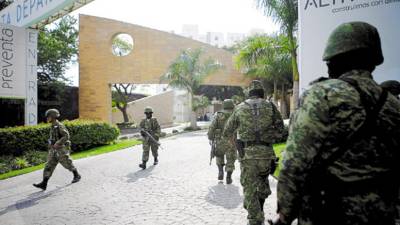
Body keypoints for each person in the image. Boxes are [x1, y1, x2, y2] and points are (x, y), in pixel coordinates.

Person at [271, 22, 400, 225]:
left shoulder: (322, 95)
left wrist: (285, 214)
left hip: (331, 214)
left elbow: (296, 162)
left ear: (332, 60)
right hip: (384, 215)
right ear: (373, 61)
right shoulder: (393, 104)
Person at [223, 80, 284, 225]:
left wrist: (237, 145)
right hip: (266, 154)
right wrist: (269, 137)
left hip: (248, 155)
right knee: (262, 183)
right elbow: (281, 129)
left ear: (249, 93)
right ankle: (259, 209)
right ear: (261, 93)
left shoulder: (239, 108)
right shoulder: (270, 106)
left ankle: (255, 219)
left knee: (249, 189)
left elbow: (227, 131)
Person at [33, 109, 81, 190]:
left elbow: (66, 136)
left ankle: (76, 175)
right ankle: (44, 183)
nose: (47, 119)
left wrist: (58, 143)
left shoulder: (59, 125)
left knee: (66, 162)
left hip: (61, 149)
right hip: (54, 150)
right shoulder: (53, 126)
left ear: (53, 117)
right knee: (49, 165)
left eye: (48, 117)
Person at [207, 99, 237, 184]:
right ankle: (229, 177)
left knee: (219, 156)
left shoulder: (218, 114)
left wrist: (210, 137)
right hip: (232, 140)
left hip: (220, 140)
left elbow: (212, 127)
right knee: (231, 158)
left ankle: (220, 171)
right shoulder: (236, 114)